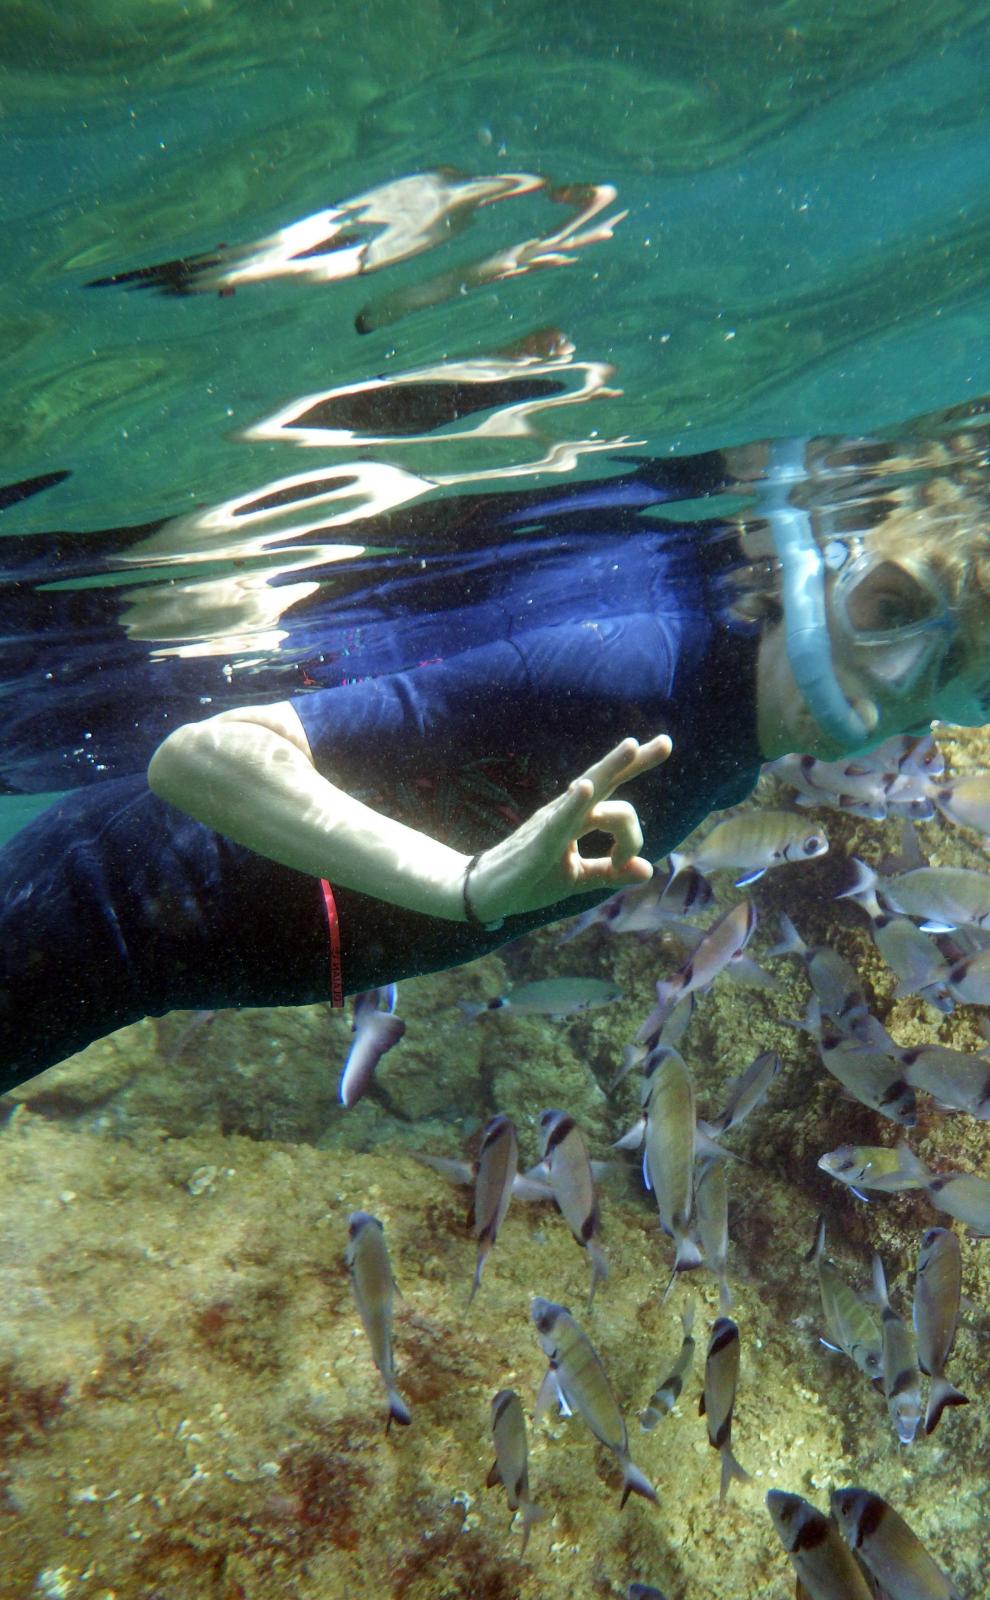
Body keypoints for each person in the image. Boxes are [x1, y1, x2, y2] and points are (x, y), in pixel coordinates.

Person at [2, 412, 989, 1087]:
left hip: (135, 959)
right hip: (101, 913)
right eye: (891, 606)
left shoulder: (732, 728)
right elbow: (199, 757)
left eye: (952, 658)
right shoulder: (633, 666)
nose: (902, 677)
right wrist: (467, 885)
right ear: (813, 553)